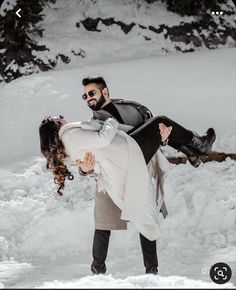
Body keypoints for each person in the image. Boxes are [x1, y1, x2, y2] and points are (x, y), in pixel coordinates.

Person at [39, 112, 216, 274]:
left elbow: (97, 162)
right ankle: (199, 145)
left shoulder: (68, 149)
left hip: (124, 162)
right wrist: (110, 121)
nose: (64, 117)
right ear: (56, 125)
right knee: (160, 121)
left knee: (159, 128)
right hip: (128, 152)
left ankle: (193, 151)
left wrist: (87, 169)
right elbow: (103, 139)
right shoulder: (69, 134)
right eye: (59, 117)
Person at [77, 76, 216, 275]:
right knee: (104, 221)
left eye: (91, 93)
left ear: (105, 92)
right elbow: (86, 156)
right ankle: (97, 270)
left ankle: (151, 271)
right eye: (84, 96)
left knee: (145, 215)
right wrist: (85, 169)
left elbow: (147, 135)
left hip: (136, 165)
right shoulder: (94, 123)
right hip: (113, 172)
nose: (88, 99)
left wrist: (164, 139)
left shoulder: (127, 108)